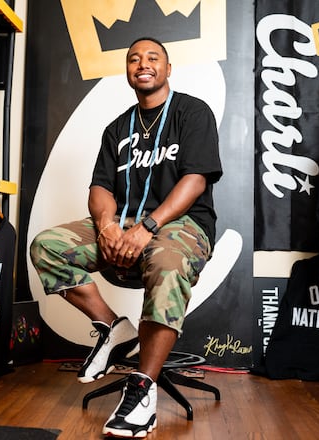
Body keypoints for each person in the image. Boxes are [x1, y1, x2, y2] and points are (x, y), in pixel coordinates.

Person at [29, 37, 222, 438]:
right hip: (124, 225)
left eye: (153, 58)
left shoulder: (192, 112)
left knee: (167, 262)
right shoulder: (117, 127)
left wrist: (146, 227)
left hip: (180, 226)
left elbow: (195, 180)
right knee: (47, 246)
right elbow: (100, 188)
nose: (143, 64)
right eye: (134, 59)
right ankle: (113, 327)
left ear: (168, 70)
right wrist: (108, 227)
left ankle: (143, 387)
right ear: (128, 72)